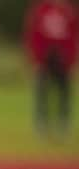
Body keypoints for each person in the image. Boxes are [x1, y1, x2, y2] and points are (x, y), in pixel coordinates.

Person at [24, 0, 79, 139]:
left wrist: (72, 60)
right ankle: (41, 123)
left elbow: (74, 37)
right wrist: (36, 59)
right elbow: (33, 34)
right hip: (44, 57)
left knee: (64, 93)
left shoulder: (69, 11)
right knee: (41, 92)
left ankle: (63, 123)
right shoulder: (41, 9)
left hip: (64, 57)